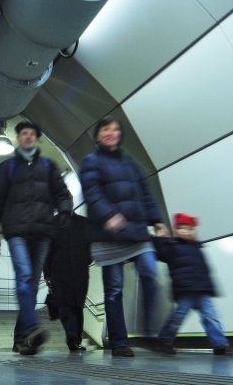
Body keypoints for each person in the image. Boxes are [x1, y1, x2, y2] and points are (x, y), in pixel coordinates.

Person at [81, 116, 168, 357]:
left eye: (115, 129)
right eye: (106, 129)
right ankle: (119, 342)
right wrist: (108, 215)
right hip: (109, 234)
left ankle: (149, 334)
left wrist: (157, 221)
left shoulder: (131, 164)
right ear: (98, 135)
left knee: (151, 274)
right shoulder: (91, 162)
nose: (111, 132)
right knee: (114, 290)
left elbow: (145, 195)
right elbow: (92, 193)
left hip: (137, 232)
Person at [0, 121, 73, 355]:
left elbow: (62, 193)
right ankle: (33, 327)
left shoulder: (49, 166)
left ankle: (20, 340)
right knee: (24, 278)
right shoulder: (8, 168)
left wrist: (65, 210)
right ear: (19, 138)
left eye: (32, 133)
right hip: (17, 232)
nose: (28, 136)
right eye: (24, 133)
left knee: (31, 287)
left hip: (44, 232)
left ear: (37, 138)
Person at [151, 214, 233, 355]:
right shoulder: (172, 245)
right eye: (180, 228)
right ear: (176, 230)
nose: (183, 231)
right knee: (178, 317)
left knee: (211, 317)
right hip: (185, 289)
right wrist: (159, 238)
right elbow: (161, 254)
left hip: (202, 289)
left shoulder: (197, 247)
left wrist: (210, 287)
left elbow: (205, 269)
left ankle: (221, 345)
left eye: (186, 228)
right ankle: (164, 342)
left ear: (192, 230)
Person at [44, 211, 91, 352]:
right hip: (59, 271)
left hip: (79, 271)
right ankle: (71, 336)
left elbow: (90, 244)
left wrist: (87, 259)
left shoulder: (84, 222)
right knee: (64, 305)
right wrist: (47, 273)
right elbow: (47, 249)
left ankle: (76, 338)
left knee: (78, 306)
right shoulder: (52, 223)